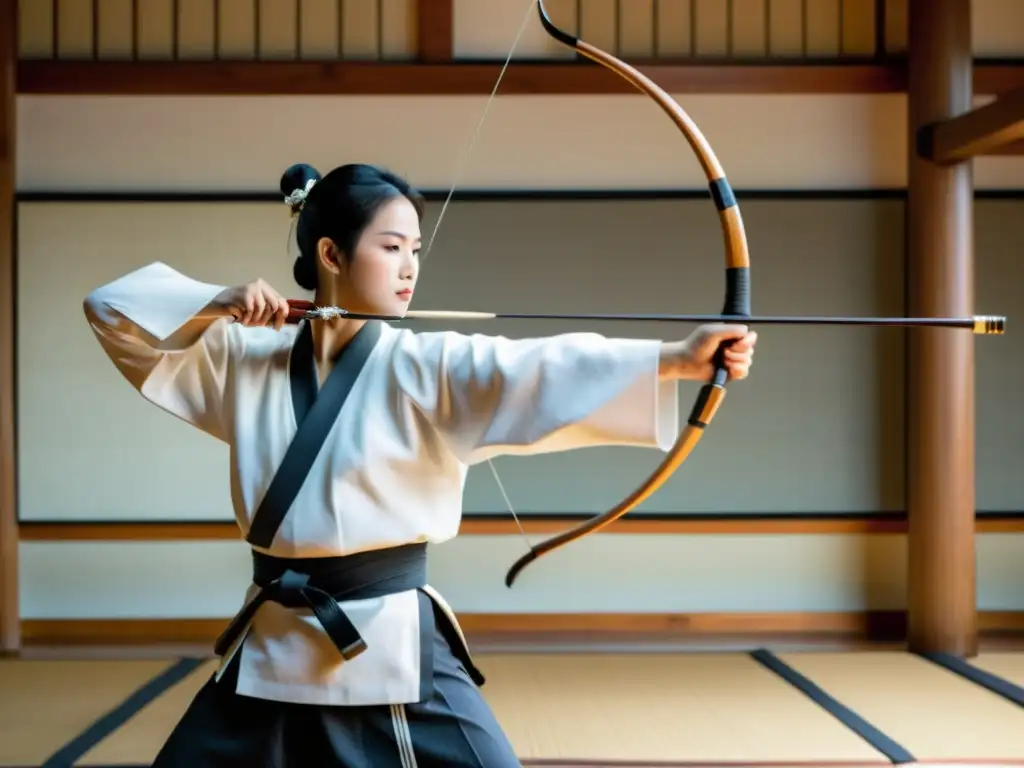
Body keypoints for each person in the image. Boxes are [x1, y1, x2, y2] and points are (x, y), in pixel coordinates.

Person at [82, 162, 758, 767]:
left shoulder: (428, 366)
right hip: (275, 643)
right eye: (391, 247)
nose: (409, 267)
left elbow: (533, 369)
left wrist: (675, 359)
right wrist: (214, 302)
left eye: (415, 251)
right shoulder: (242, 361)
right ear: (330, 253)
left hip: (388, 644)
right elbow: (110, 311)